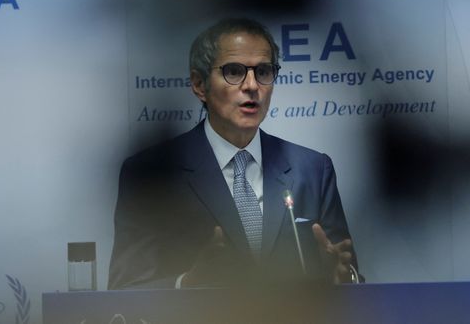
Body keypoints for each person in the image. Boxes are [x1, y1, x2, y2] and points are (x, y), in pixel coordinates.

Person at [108, 18, 359, 289]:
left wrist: (342, 279)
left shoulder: (313, 169)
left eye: (263, 71)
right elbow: (127, 289)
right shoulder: (153, 172)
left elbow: (350, 274)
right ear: (199, 85)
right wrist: (188, 283)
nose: (252, 85)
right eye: (234, 71)